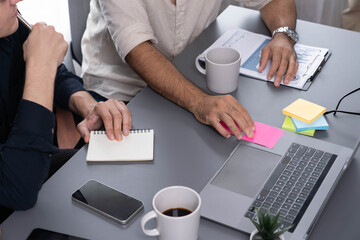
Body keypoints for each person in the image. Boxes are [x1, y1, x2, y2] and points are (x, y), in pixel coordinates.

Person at [81, 0, 298, 140]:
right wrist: (198, 102)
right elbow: (137, 50)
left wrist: (283, 34)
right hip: (118, 94)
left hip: (189, 76)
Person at [0, 0, 132, 221]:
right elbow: (19, 189)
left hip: (32, 161)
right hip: (15, 191)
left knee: (118, 175)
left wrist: (87, 105)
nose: (16, 0)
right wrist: (40, 66)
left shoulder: (8, 24)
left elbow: (57, 75)